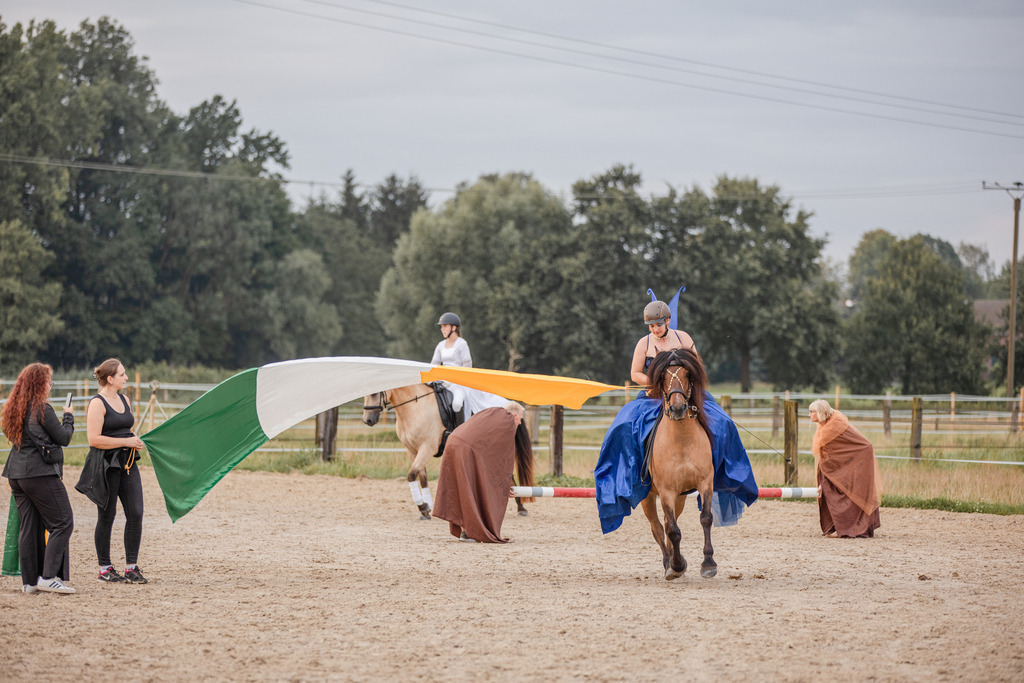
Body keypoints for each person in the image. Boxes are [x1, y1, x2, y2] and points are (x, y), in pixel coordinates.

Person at [594, 300, 759, 534]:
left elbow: (697, 366)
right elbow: (634, 373)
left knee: (723, 422)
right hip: (654, 394)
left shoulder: (683, 339)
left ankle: (724, 471)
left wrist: (682, 381)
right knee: (623, 424)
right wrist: (656, 380)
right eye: (650, 326)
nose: (654, 329)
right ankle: (631, 475)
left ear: (668, 321)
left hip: (686, 393)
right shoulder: (644, 343)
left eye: (658, 325)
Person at [1, 363, 76, 594]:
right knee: (63, 522)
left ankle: (29, 582)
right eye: (48, 381)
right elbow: (64, 438)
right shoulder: (42, 409)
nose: (50, 386)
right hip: (39, 473)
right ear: (39, 383)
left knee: (29, 527)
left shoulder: (14, 408)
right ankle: (49, 576)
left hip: (16, 474)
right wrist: (68, 417)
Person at [75, 359, 148, 584]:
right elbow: (93, 439)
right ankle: (104, 568)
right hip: (106, 466)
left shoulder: (124, 400)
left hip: (127, 463)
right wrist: (123, 442)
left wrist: (134, 441)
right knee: (107, 516)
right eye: (122, 375)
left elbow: (126, 429)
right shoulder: (97, 403)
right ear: (110, 378)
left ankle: (131, 567)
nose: (126, 378)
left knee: (135, 513)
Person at [431, 402, 532, 543]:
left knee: (465, 487)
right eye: (520, 418)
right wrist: (505, 482)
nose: (520, 423)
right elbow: (502, 458)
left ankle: (466, 529)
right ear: (514, 414)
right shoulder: (507, 421)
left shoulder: (492, 413)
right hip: (465, 448)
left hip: (453, 441)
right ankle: (472, 531)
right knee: (471, 487)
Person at [809, 399, 882, 538]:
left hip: (846, 466)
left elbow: (863, 445)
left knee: (845, 495)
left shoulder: (836, 426)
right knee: (829, 493)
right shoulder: (824, 427)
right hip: (830, 466)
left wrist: (849, 465)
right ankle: (835, 526)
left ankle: (848, 528)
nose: (810, 415)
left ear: (820, 413)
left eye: (812, 412)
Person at [429, 311, 504, 419]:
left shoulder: (461, 344)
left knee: (457, 404)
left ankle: (461, 427)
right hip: (443, 381)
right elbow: (434, 364)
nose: (442, 329)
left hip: (458, 383)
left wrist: (457, 378)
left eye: (444, 326)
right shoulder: (440, 345)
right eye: (441, 327)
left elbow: (467, 365)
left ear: (453, 328)